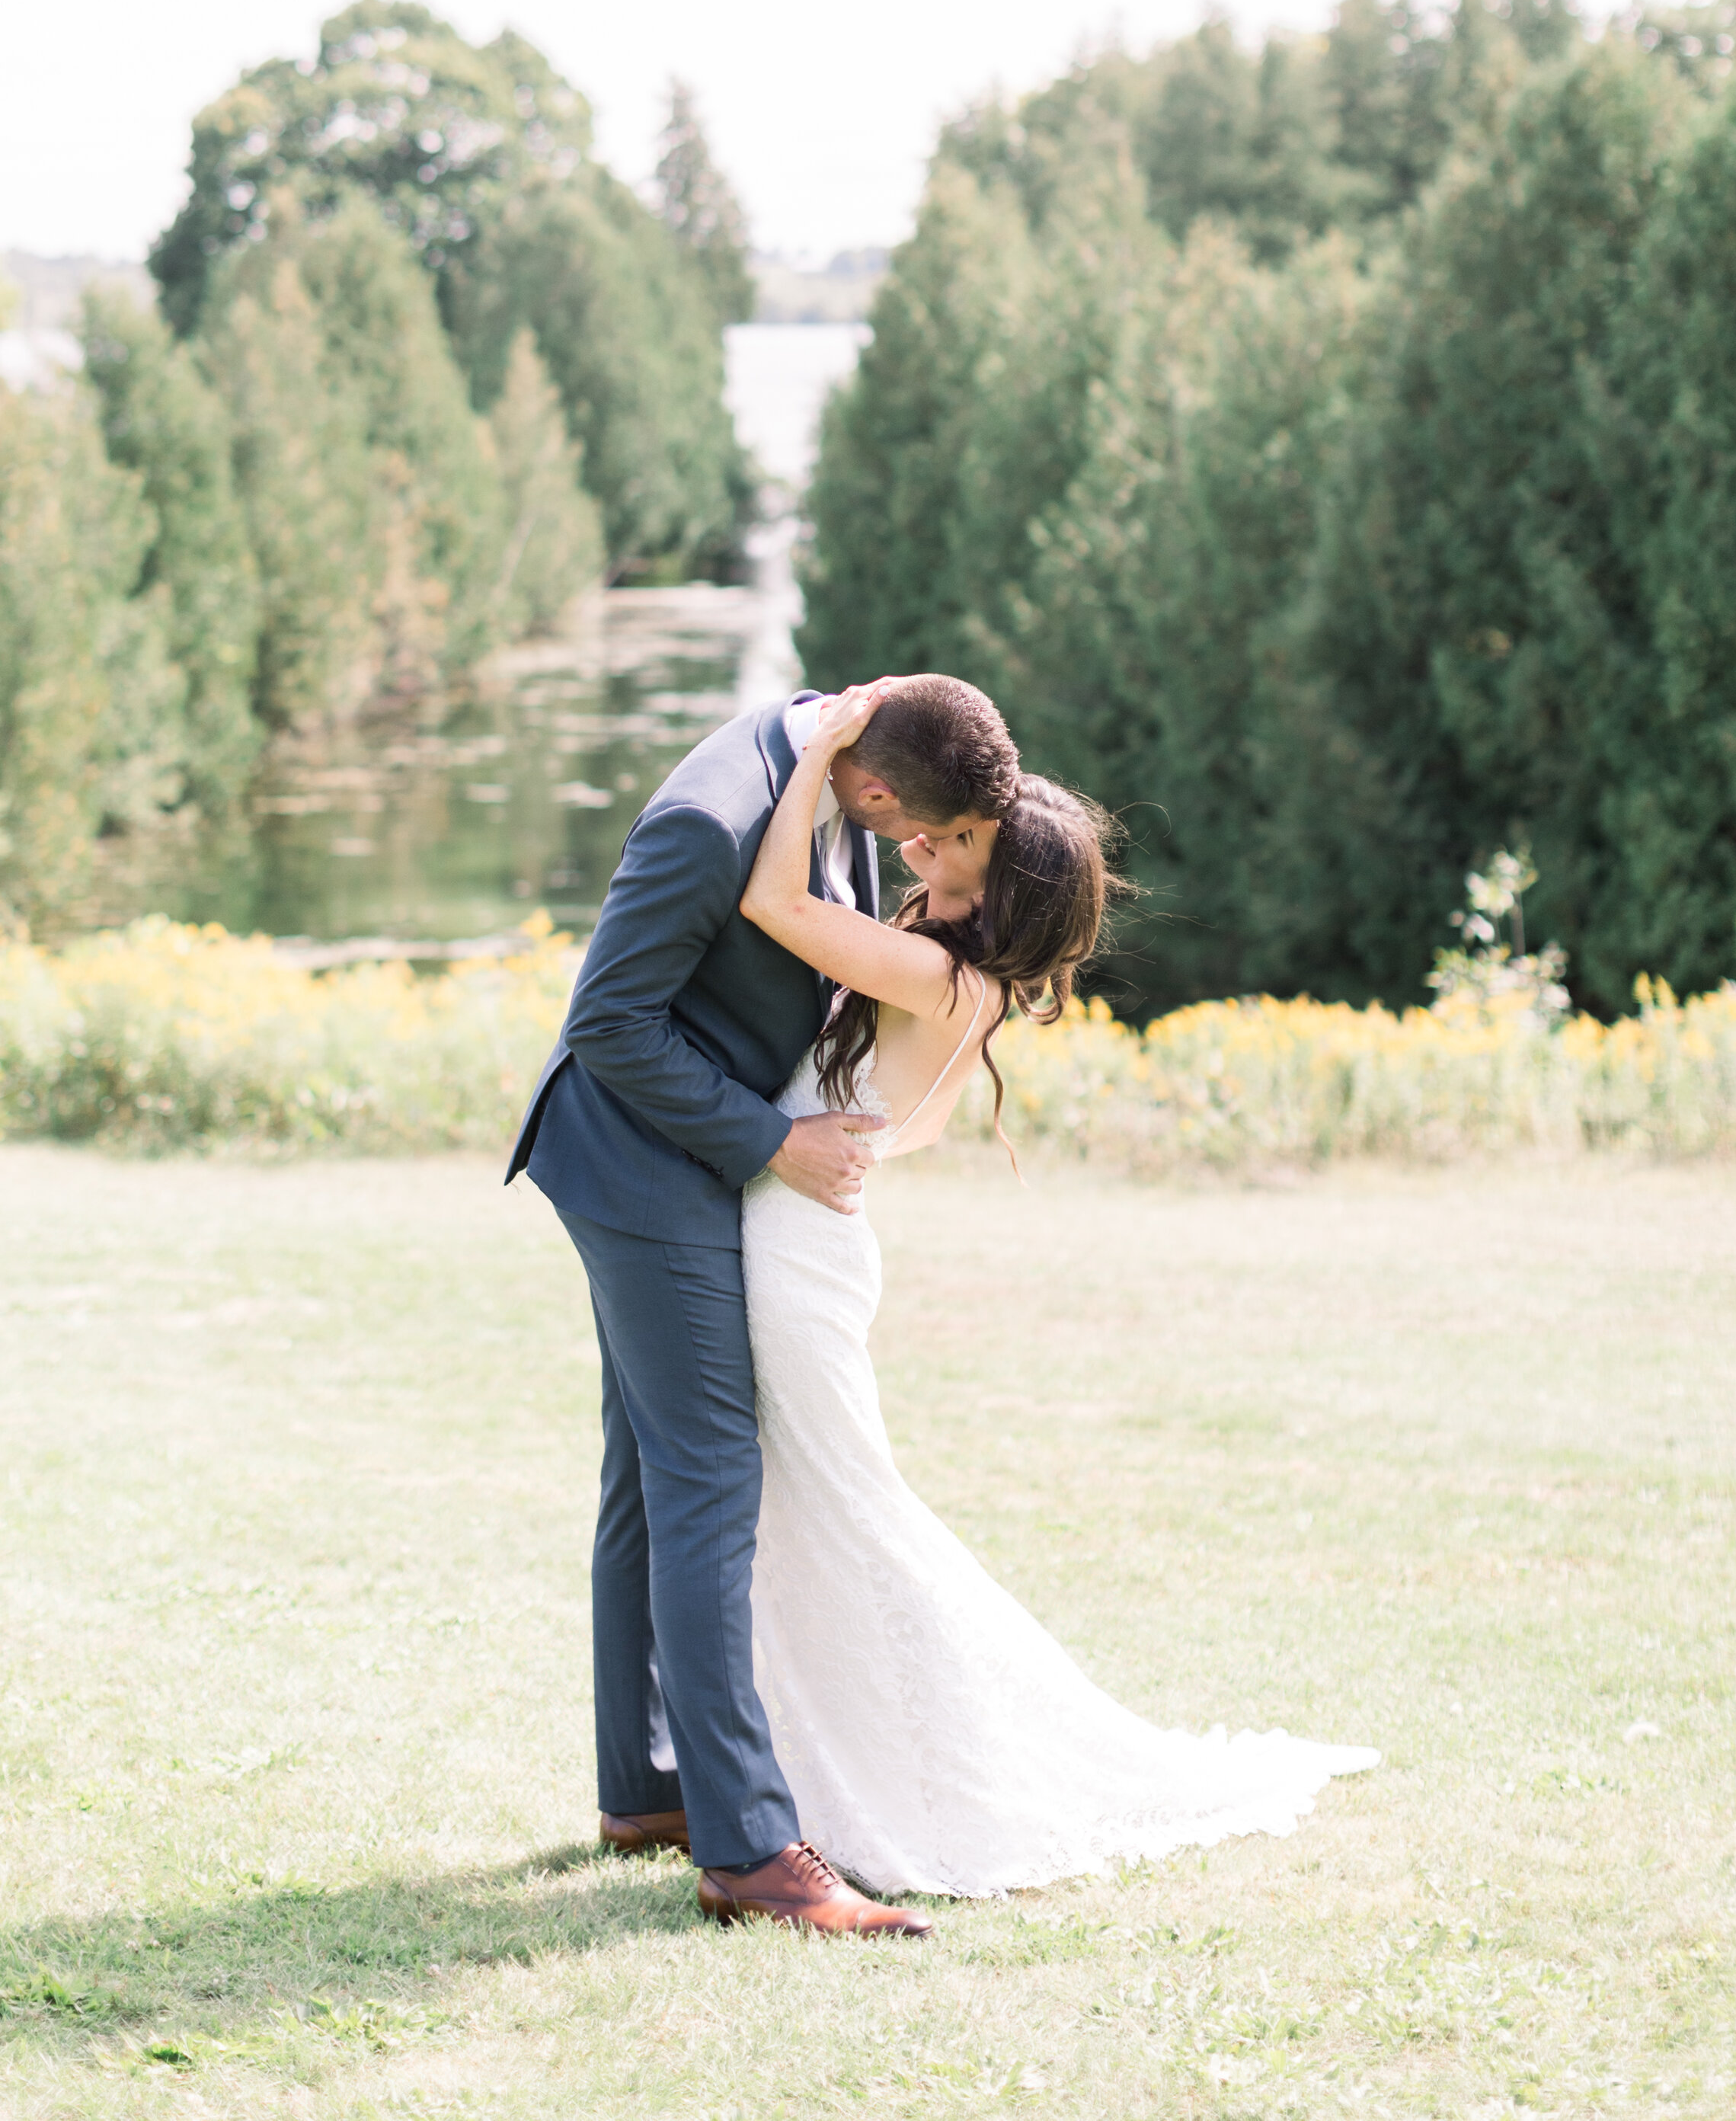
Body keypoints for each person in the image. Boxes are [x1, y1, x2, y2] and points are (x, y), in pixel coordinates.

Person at [734, 680, 1377, 1899]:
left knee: (840, 1519)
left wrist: (820, 756)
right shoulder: (951, 975)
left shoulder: (934, 976)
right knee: (818, 1516)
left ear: (997, 893)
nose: (924, 837)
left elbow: (774, 903)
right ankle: (806, 1773)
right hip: (812, 1246)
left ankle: (868, 1783)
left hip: (797, 1260)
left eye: (957, 842)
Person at [505, 673, 1020, 1937]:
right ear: (886, 789)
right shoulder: (712, 816)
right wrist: (772, 1143)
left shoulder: (832, 763)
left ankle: (651, 1789)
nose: (924, 861)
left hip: (682, 1162)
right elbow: (608, 1023)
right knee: (708, 1479)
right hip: (643, 1160)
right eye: (934, 837)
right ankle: (747, 1848)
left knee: (646, 1472)